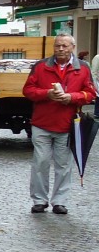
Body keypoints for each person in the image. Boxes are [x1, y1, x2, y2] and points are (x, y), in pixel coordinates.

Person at [22, 34, 97, 214]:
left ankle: (59, 201)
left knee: (64, 165)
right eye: (57, 46)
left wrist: (72, 97)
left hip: (68, 124)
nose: (60, 49)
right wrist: (47, 93)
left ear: (73, 47)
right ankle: (39, 200)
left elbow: (91, 93)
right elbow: (28, 90)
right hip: (42, 122)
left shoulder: (83, 68)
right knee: (41, 162)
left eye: (64, 46)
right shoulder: (41, 66)